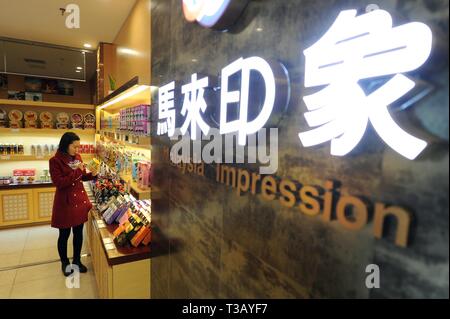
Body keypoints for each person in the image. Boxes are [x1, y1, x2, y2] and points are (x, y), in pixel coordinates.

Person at [49, 132, 98, 276]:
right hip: (64, 202)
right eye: (75, 147)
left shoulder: (78, 157)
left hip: (79, 201)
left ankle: (77, 260)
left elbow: (81, 176)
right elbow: (59, 183)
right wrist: (78, 172)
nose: (77, 150)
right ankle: (65, 263)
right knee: (64, 234)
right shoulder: (55, 161)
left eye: (79, 147)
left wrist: (92, 174)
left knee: (78, 233)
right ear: (66, 145)